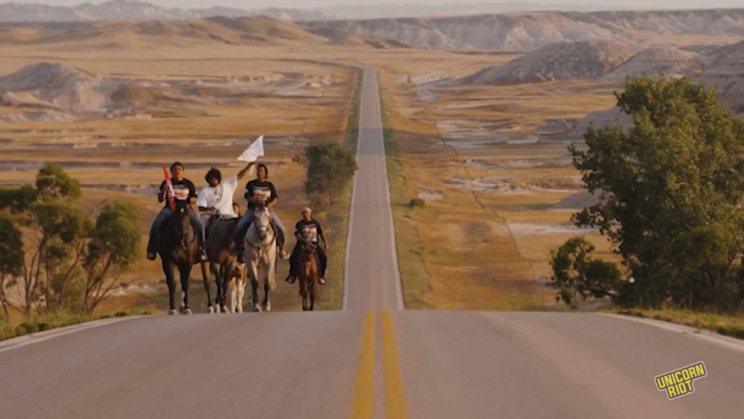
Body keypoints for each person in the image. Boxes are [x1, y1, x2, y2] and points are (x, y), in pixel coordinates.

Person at [146, 162, 207, 262]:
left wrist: (185, 199)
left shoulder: (188, 183)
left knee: (200, 225)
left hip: (186, 209)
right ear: (171, 172)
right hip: (170, 209)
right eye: (175, 169)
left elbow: (195, 199)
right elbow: (160, 199)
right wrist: (164, 190)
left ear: (183, 171)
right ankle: (151, 250)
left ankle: (202, 250)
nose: (177, 171)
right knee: (156, 224)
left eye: (179, 169)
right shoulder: (166, 183)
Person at [232, 163, 289, 267]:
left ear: (265, 173)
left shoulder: (269, 185)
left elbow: (275, 198)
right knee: (240, 226)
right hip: (253, 209)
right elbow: (247, 196)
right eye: (258, 171)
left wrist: (268, 204)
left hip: (267, 210)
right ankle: (238, 249)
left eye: (261, 171)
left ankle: (281, 248)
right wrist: (254, 201)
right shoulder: (251, 184)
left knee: (281, 228)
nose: (259, 173)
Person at [196, 162, 254, 239]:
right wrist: (209, 209)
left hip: (229, 214)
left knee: (243, 226)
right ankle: (203, 243)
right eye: (211, 178)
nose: (213, 180)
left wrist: (248, 166)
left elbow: (239, 176)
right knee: (201, 228)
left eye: (215, 178)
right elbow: (200, 207)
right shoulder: (205, 191)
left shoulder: (227, 184)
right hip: (212, 215)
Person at [287, 207, 328, 285]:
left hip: (314, 244)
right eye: (304, 213)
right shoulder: (299, 224)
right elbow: (298, 235)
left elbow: (321, 233)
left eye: (307, 212)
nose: (305, 214)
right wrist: (305, 241)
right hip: (302, 244)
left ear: (310, 214)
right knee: (293, 257)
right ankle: (292, 275)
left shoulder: (315, 223)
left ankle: (321, 276)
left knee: (323, 257)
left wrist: (326, 243)